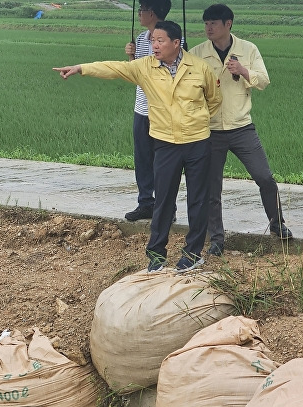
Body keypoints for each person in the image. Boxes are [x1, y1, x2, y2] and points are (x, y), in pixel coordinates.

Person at [53, 21, 222, 272]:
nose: (154, 45)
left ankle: (193, 253)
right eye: (153, 40)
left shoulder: (200, 68)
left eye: (160, 40)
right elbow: (114, 67)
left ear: (177, 43)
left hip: (197, 142)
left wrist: (194, 122)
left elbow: (214, 101)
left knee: (198, 200)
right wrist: (80, 68)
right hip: (165, 143)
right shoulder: (145, 67)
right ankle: (156, 254)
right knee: (163, 200)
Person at [190, 4, 293, 257]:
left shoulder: (248, 49)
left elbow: (264, 80)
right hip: (211, 130)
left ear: (229, 24)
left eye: (213, 23)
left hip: (241, 128)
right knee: (212, 188)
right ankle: (216, 239)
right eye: (205, 23)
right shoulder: (196, 53)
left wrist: (243, 71)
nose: (209, 28)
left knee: (265, 177)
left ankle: (277, 223)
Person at [123, 0, 172, 222]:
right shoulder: (142, 39)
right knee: (143, 159)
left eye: (142, 10)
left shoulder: (170, 38)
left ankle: (166, 208)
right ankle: (146, 203)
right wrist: (132, 57)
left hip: (162, 110)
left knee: (163, 161)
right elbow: (137, 73)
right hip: (141, 108)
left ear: (151, 13)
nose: (140, 13)